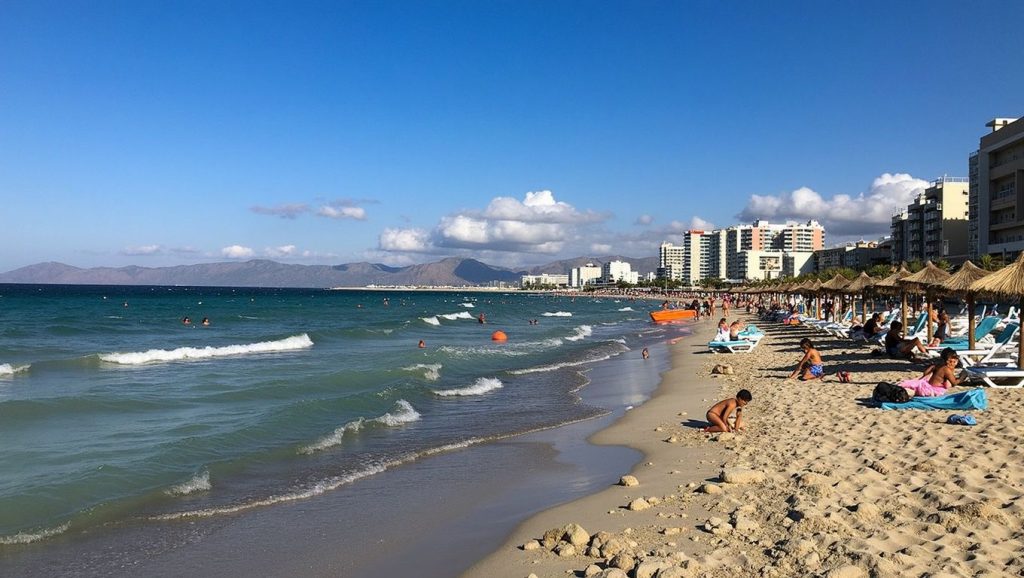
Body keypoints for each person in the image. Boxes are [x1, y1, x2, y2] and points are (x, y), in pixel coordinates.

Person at [899, 347, 964, 397]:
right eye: (953, 361)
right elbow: (954, 383)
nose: (954, 363)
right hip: (933, 390)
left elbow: (925, 373)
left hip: (925, 386)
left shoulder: (937, 366)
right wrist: (962, 377)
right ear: (948, 360)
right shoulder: (946, 369)